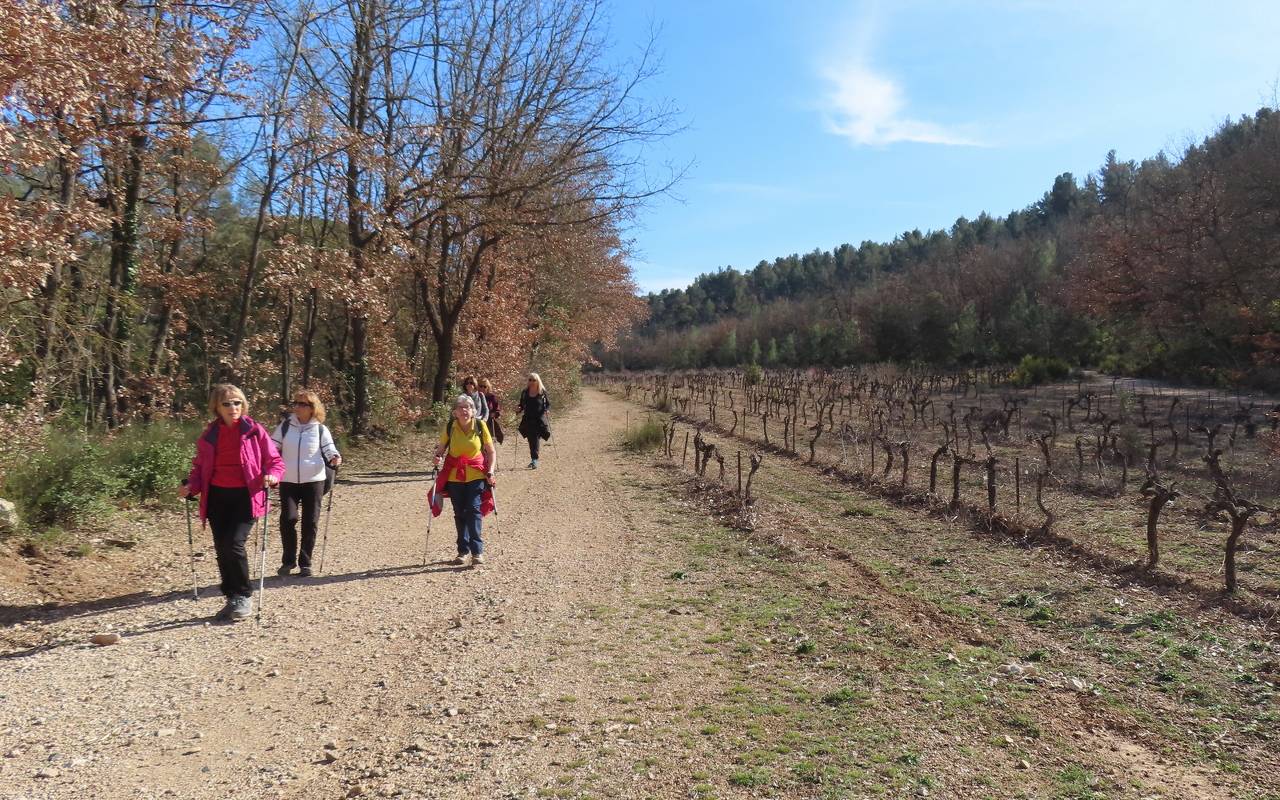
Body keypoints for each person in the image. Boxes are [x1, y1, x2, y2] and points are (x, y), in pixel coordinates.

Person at [179, 384, 284, 621]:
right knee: (221, 548)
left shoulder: (254, 431)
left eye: (237, 402)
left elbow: (275, 461)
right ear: (216, 407)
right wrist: (190, 487)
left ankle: (243, 595)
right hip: (216, 496)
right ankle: (231, 596)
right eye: (226, 403)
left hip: (246, 496)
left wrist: (273, 476)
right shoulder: (210, 434)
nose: (233, 407)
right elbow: (199, 468)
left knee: (234, 543)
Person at [271, 390, 342, 578]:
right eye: (296, 403)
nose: (298, 407)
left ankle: (305, 563)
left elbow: (329, 449)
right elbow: (272, 447)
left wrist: (335, 458)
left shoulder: (320, 429)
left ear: (312, 408)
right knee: (288, 519)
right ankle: (288, 561)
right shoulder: (285, 427)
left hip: (314, 480)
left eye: (303, 404)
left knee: (310, 522)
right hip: (288, 480)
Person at [430, 394, 497, 567]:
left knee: (473, 511)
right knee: (460, 513)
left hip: (476, 475)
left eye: (468, 407)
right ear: (455, 412)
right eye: (461, 407)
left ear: (474, 411)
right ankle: (462, 551)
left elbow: (490, 451)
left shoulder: (480, 426)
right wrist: (437, 457)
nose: (464, 410)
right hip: (454, 476)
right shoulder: (451, 427)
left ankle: (477, 552)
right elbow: (441, 448)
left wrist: (490, 470)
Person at [517, 372, 551, 469]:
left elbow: (547, 404)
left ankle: (534, 460)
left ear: (538, 381)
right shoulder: (525, 392)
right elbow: (521, 405)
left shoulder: (542, 392)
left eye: (534, 380)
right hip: (528, 419)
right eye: (530, 380)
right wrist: (519, 409)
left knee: (534, 439)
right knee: (532, 440)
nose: (531, 382)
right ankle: (534, 459)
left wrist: (547, 410)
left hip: (539, 420)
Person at [480, 378, 504, 444]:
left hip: (489, 423)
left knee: (487, 442)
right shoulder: (476, 396)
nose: (482, 388)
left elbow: (497, 409)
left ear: (488, 387)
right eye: (481, 386)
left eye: (485, 386)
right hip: (478, 422)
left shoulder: (492, 397)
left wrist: (494, 413)